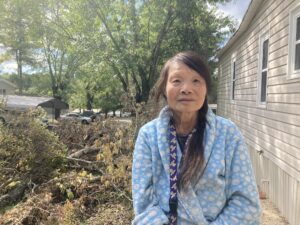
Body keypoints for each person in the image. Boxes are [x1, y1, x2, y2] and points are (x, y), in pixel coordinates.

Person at [132, 51, 261, 225]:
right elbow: (144, 203)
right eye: (177, 81)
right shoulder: (148, 136)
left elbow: (246, 204)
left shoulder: (228, 134)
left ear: (206, 88)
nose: (186, 88)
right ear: (164, 87)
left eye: (196, 81)